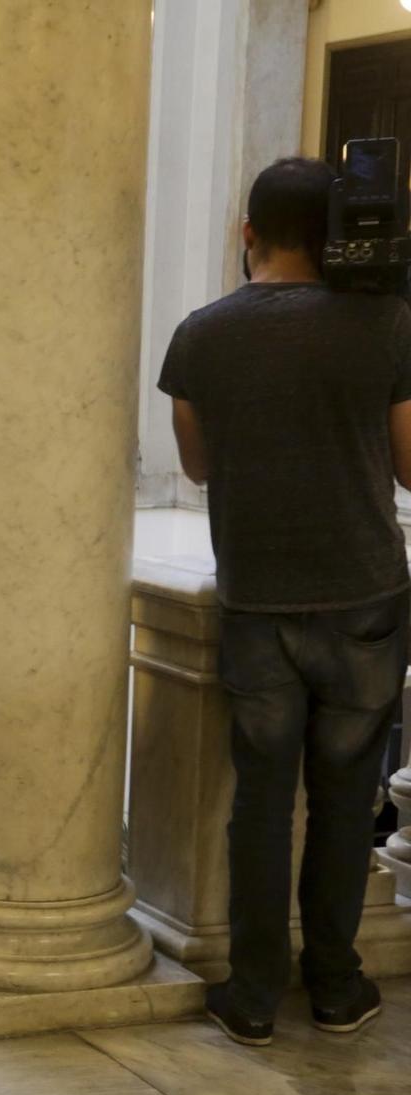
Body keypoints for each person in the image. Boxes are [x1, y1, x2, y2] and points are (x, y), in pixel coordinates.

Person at [160, 157, 411, 1046]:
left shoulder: (201, 334)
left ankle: (255, 994)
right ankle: (337, 987)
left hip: (260, 595)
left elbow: (196, 465)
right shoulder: (383, 322)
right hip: (366, 598)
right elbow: (410, 463)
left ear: (248, 232)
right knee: (348, 799)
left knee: (262, 803)